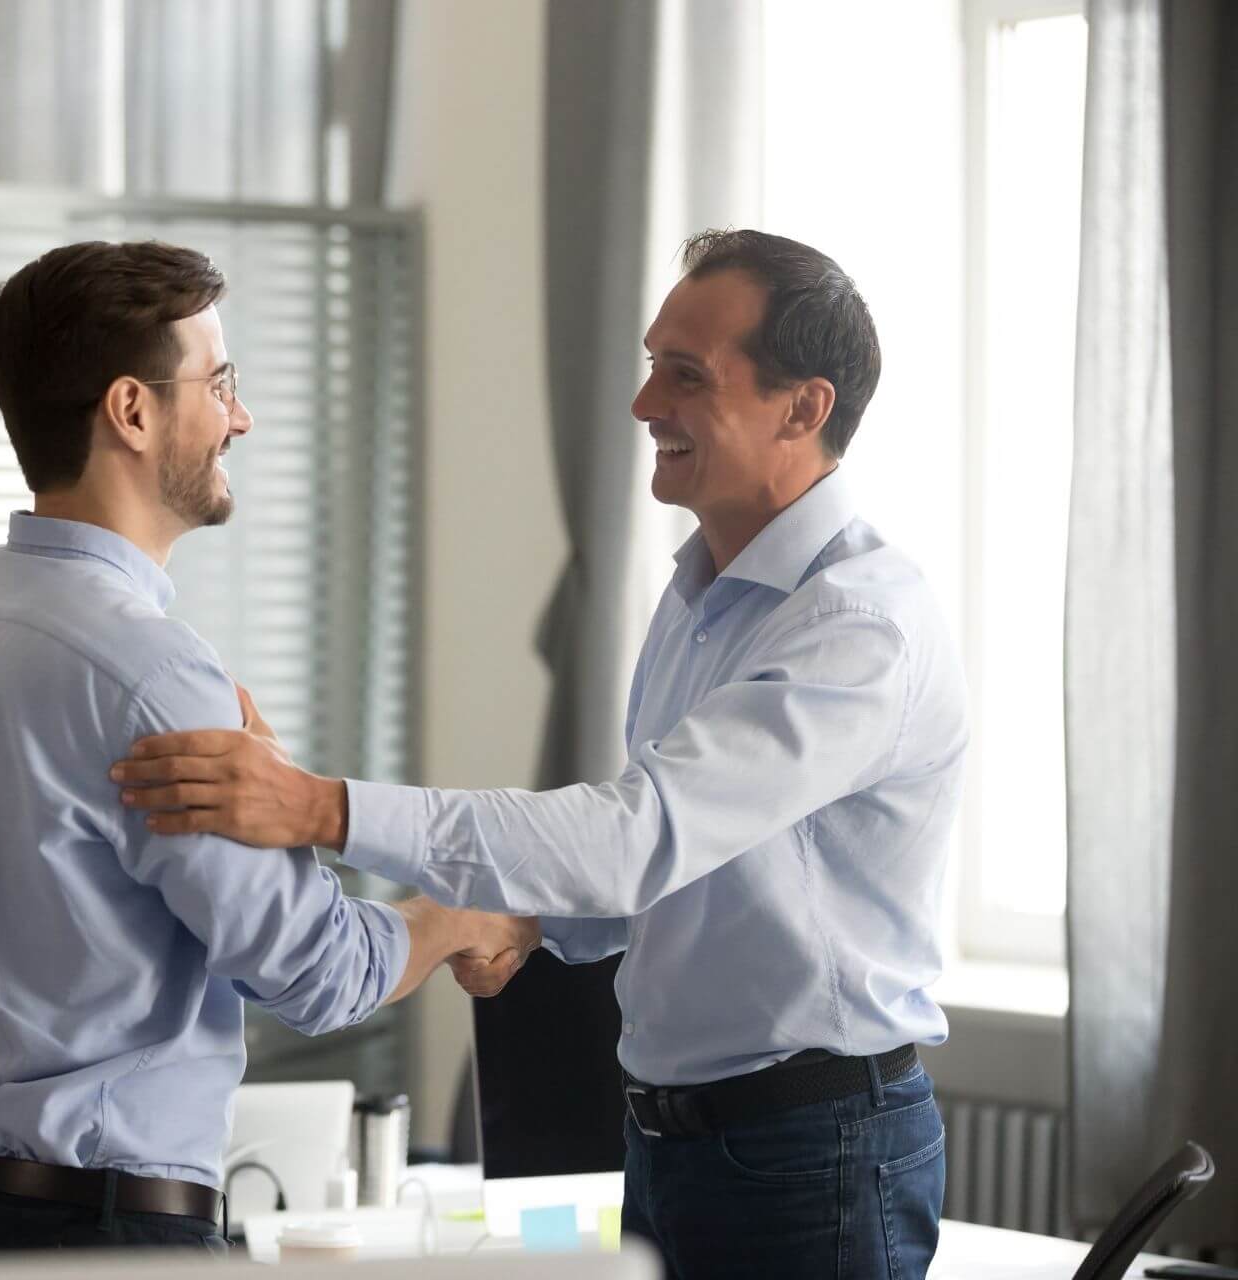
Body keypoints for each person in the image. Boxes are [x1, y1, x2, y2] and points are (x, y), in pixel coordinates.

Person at [111, 229, 969, 1280]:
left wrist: (322, 808)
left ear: (805, 407)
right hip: (674, 1141)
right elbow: (675, 873)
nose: (646, 404)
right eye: (654, 364)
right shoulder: (703, 591)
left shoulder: (857, 625)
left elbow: (635, 838)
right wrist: (521, 918)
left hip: (809, 1151)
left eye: (687, 376)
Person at [0, 240, 538, 1256]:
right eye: (220, 382)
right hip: (96, 1232)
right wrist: (449, 917)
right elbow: (314, 970)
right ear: (131, 410)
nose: (242, 415)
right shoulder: (147, 670)